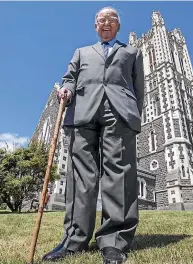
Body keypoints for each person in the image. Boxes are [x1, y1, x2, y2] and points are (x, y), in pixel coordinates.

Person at [42, 6, 144, 264]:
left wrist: (133, 115)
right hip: (83, 113)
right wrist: (65, 89)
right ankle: (74, 240)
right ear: (95, 26)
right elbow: (69, 78)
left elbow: (138, 88)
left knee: (118, 173)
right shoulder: (81, 52)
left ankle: (114, 242)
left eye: (111, 20)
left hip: (119, 113)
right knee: (80, 177)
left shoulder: (131, 52)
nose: (106, 23)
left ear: (118, 26)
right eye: (101, 20)